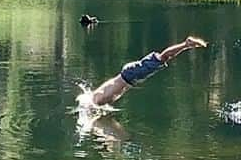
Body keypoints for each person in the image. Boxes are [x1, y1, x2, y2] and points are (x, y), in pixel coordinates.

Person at [79, 36, 208, 109]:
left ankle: (186, 44)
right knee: (162, 58)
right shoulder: (97, 98)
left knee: (163, 57)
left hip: (130, 75)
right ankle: (186, 44)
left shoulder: (95, 100)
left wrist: (87, 108)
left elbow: (103, 93)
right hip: (128, 75)